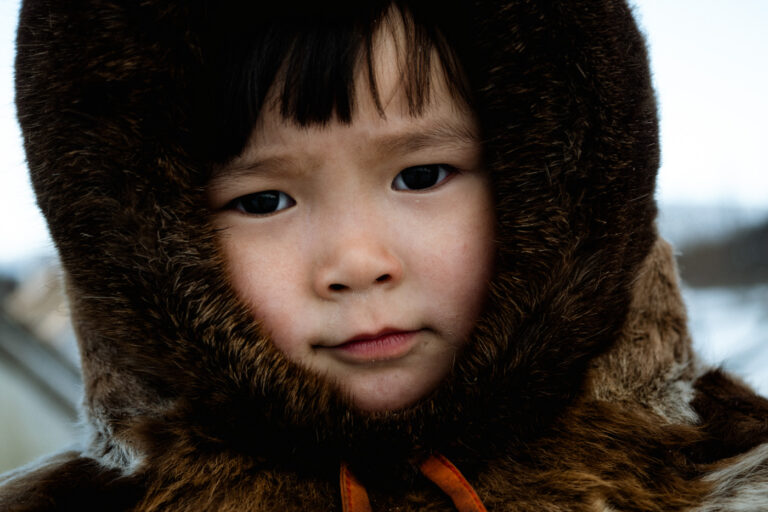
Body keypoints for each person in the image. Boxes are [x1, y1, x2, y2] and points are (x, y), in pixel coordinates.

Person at [2, 1, 767, 510]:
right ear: (145, 241)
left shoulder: (732, 484)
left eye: (422, 175)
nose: (358, 262)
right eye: (263, 201)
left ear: (554, 192)